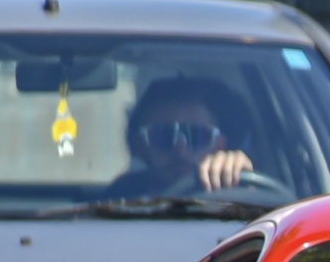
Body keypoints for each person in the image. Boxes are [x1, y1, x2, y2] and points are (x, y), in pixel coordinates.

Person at [106, 75, 255, 195]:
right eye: (164, 136)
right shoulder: (118, 200)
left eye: (197, 136)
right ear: (140, 146)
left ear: (220, 144)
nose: (180, 150)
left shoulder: (234, 193)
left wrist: (242, 178)